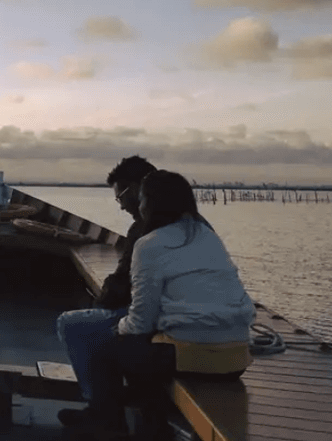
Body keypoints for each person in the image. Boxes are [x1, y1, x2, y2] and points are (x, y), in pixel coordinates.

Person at [79, 170, 256, 440]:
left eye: (142, 200)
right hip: (237, 357)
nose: (139, 206)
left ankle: (110, 425)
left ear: (151, 204)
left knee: (107, 348)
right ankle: (150, 426)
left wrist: (119, 327)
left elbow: (141, 321)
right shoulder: (207, 235)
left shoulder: (149, 245)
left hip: (194, 356)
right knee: (147, 352)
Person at [55, 155, 156, 424]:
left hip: (159, 321)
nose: (121, 206)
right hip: (176, 317)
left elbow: (122, 285)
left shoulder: (144, 230)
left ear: (137, 189)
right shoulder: (195, 226)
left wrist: (103, 299)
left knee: (74, 326)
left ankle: (102, 412)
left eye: (120, 196)